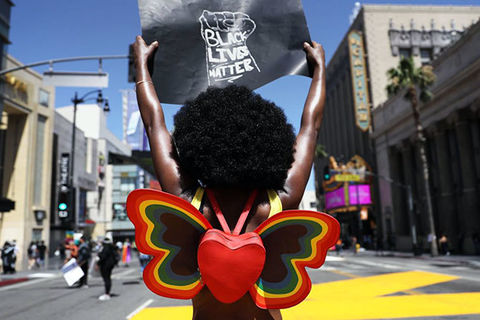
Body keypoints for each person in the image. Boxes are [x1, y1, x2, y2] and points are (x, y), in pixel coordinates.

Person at [132, 35, 325, 319]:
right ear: (268, 144)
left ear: (199, 143)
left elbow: (153, 123)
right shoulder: (278, 203)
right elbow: (310, 127)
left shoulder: (190, 203)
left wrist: (142, 67)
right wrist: (319, 71)